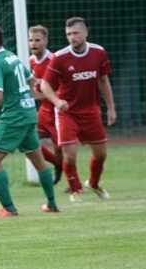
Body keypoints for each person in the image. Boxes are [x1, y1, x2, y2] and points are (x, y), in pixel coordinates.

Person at [0, 24, 59, 217]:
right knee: (38, 160)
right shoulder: (12, 57)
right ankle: (51, 204)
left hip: (13, 117)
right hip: (29, 114)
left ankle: (9, 208)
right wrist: (28, 100)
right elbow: (33, 81)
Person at [41, 17, 116, 202]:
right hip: (67, 113)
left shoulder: (98, 52)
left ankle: (94, 183)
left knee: (101, 154)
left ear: (85, 33)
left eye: (75, 33)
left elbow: (104, 81)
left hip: (91, 112)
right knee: (70, 154)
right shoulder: (60, 57)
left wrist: (111, 108)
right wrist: (57, 101)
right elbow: (44, 85)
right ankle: (75, 190)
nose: (71, 37)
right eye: (68, 34)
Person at [27, 25, 64, 184]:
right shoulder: (29, 62)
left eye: (37, 40)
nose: (33, 43)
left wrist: (41, 95)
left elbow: (64, 91)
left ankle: (72, 184)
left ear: (46, 41)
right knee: (27, 138)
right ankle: (57, 165)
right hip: (43, 112)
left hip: (58, 112)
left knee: (62, 150)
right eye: (30, 40)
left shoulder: (54, 61)